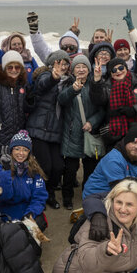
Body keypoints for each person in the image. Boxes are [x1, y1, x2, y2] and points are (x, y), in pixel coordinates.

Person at [58, 55, 105, 209]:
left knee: (90, 169)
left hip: (89, 133)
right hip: (72, 133)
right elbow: (61, 100)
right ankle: (67, 197)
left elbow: (102, 109)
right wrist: (73, 89)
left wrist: (93, 122)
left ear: (88, 69)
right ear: (73, 70)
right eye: (77, 67)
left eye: (84, 66)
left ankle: (88, 195)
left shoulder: (95, 84)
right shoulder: (68, 84)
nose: (81, 69)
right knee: (70, 170)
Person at [27, 51, 70, 209]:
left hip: (56, 131)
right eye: (59, 63)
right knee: (45, 166)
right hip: (39, 129)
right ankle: (40, 195)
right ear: (52, 64)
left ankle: (50, 193)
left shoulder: (69, 81)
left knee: (58, 167)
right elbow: (43, 85)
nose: (62, 66)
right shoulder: (44, 76)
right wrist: (54, 77)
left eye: (65, 64)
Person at [90, 55, 137, 146]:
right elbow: (98, 101)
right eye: (114, 70)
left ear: (126, 68)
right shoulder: (107, 86)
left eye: (121, 68)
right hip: (117, 135)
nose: (118, 71)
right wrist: (97, 80)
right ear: (110, 73)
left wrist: (135, 110)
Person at [0, 50, 31, 164]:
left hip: (19, 138)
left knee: (17, 169)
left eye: (17, 67)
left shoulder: (23, 86)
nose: (14, 70)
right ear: (4, 68)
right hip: (0, 138)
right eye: (10, 67)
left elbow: (27, 110)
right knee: (0, 169)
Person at [0, 131, 48, 228]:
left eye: (25, 150)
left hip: (27, 209)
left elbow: (39, 197)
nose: (21, 153)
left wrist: (30, 214)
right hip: (7, 211)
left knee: (39, 222)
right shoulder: (2, 168)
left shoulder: (35, 171)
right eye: (17, 149)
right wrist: (6, 171)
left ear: (29, 153)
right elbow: (5, 197)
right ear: (11, 150)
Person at [82, 123, 137, 198]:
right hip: (96, 196)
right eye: (133, 142)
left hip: (122, 194)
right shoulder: (113, 159)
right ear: (126, 143)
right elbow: (121, 191)